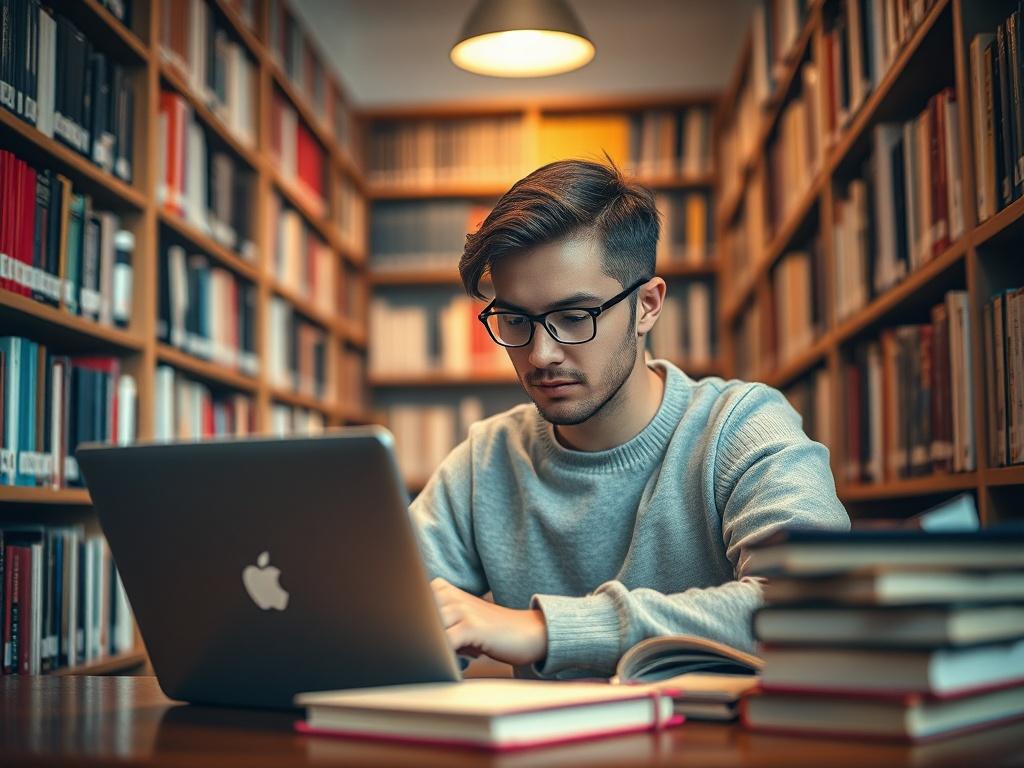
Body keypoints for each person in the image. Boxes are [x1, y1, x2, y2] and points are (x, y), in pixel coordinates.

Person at [412, 158, 850, 680]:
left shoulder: (742, 426)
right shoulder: (488, 458)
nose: (541, 353)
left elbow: (811, 601)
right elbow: (388, 613)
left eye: (574, 317)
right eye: (514, 320)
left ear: (647, 305)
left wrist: (546, 630)